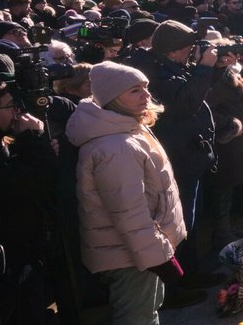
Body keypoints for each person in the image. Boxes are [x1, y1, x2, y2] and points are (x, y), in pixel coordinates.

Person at [67, 62, 187, 324]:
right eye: (134, 90)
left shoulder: (128, 128)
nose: (146, 95)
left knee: (148, 310)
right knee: (138, 318)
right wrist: (158, 257)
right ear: (113, 97)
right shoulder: (115, 146)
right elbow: (129, 211)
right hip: (130, 256)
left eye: (145, 87)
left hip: (140, 250)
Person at [126, 20, 218, 301]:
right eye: (188, 48)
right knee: (175, 224)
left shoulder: (169, 65)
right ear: (172, 51)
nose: (192, 51)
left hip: (192, 153)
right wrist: (204, 67)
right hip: (177, 156)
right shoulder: (153, 72)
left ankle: (192, 272)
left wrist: (215, 68)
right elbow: (185, 102)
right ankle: (174, 288)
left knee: (189, 221)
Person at [0, 71, 57, 325]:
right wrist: (33, 140)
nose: (16, 112)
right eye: (10, 106)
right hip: (5, 265)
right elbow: (32, 184)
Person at [206, 41, 243, 245]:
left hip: (237, 141)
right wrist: (230, 124)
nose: (236, 58)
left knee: (228, 187)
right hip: (224, 141)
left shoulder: (227, 74)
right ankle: (221, 233)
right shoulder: (212, 78)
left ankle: (227, 227)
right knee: (222, 187)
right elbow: (206, 108)